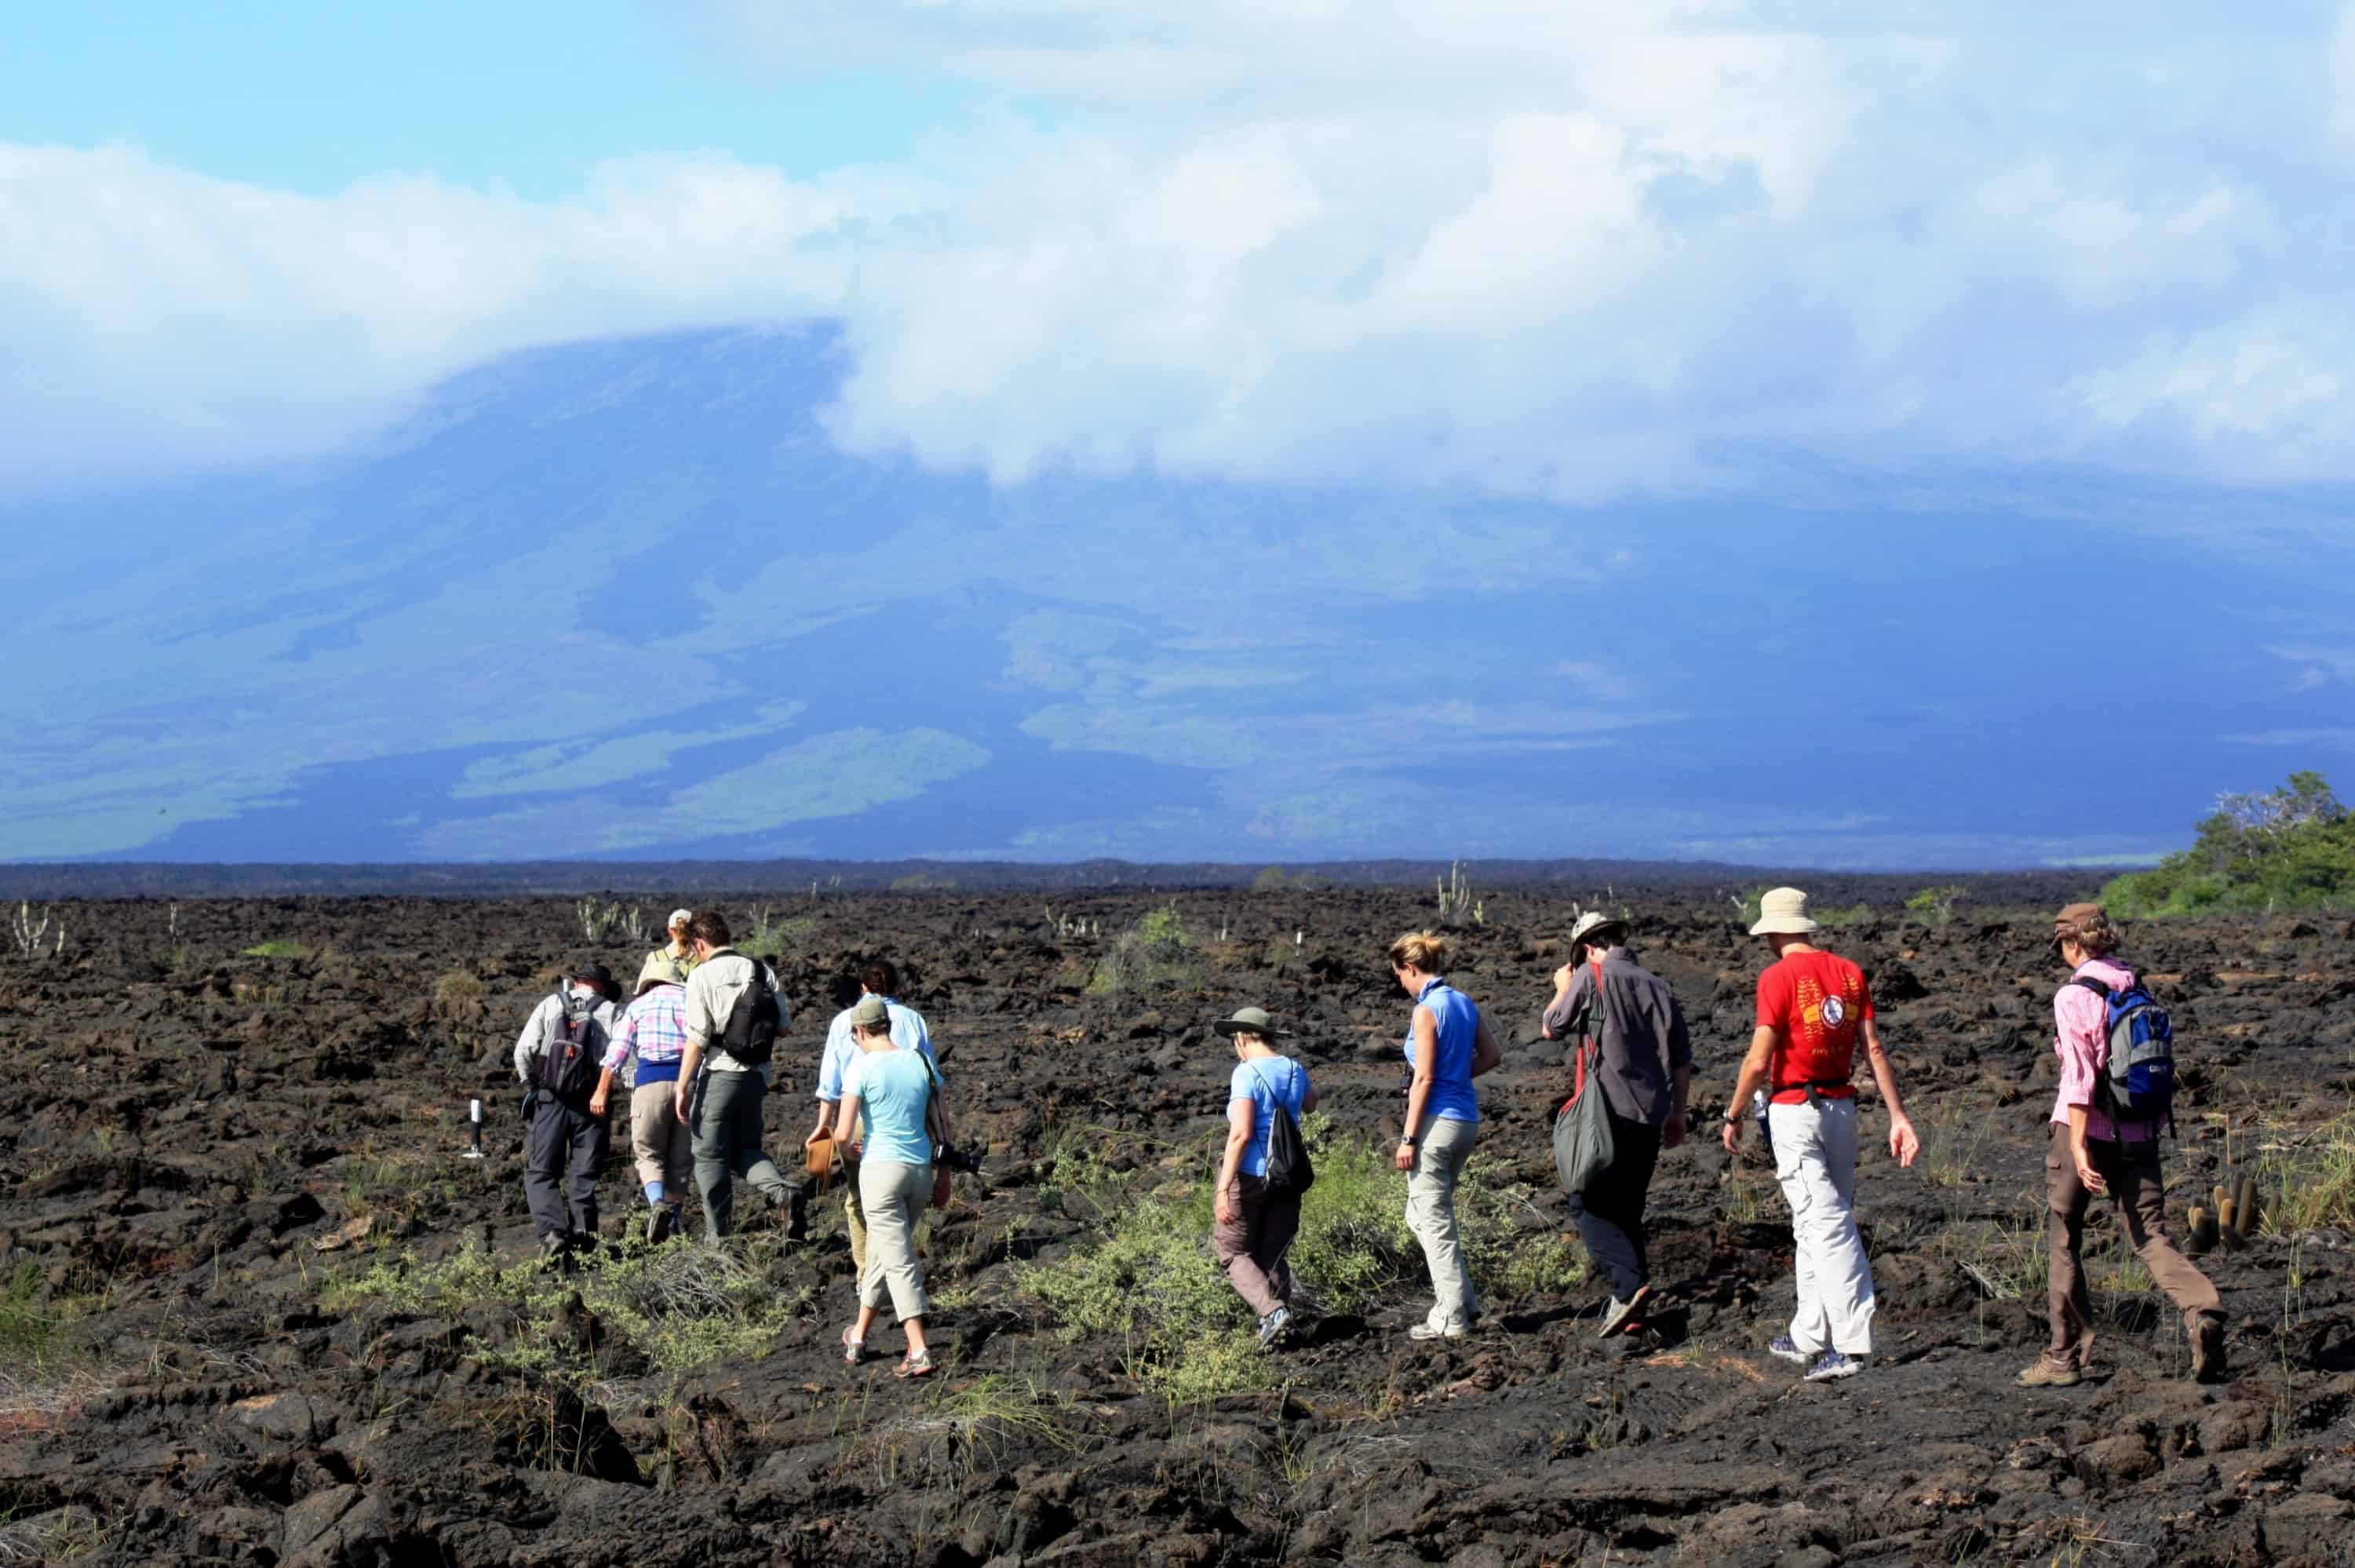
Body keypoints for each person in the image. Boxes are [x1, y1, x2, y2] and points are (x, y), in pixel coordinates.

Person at [2021, 903, 2226, 1387]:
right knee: (2150, 1234)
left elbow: (2078, 1076)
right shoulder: (2137, 986)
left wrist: (2077, 1146)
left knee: (2066, 1239)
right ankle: (2203, 1308)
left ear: (2073, 945)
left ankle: (2063, 1357)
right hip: (2141, 1132)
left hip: (2086, 1132)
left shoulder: (2074, 995)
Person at [1721, 887, 1920, 1381]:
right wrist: (1898, 1115)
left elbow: (1758, 1059)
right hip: (1842, 1110)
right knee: (1812, 1222)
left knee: (1825, 1221)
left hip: (1796, 1111)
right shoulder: (1850, 973)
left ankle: (1851, 1345)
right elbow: (1873, 1050)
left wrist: (1733, 1113)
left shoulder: (1776, 977)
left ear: (1774, 932)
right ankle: (1808, 1334)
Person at [1541, 910, 1691, 1343]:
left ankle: (1628, 1290)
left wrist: (1562, 988)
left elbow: (1552, 1027)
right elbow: (1681, 1060)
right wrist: (1678, 1114)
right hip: (1651, 1115)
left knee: (1585, 1205)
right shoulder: (1659, 986)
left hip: (1605, 1114)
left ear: (1587, 948)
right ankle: (1634, 1311)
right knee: (1626, 1210)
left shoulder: (1591, 976)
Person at [1389, 930, 1504, 1340]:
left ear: (1411, 968)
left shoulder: (1427, 1010)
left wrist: (1408, 1138)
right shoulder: (1462, 1002)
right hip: (1466, 1123)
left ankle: (1451, 1317)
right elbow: (1492, 1056)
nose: (1401, 983)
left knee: (1433, 1224)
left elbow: (1423, 1077)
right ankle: (1467, 1305)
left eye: (1399, 975)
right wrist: (1457, 1079)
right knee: (1422, 1216)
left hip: (1436, 1126)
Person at [833, 995, 947, 1377]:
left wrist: (847, 1149)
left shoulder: (861, 1068)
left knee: (899, 1261)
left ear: (860, 1031)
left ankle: (918, 1349)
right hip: (919, 1172)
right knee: (885, 1254)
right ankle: (859, 1336)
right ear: (888, 1025)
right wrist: (943, 1174)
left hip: (881, 1172)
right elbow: (942, 1124)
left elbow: (843, 1132)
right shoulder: (921, 1061)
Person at [673, 911, 800, 1241]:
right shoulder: (761, 970)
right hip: (757, 1076)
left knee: (709, 1154)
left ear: (700, 943)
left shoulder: (701, 976)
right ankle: (782, 1191)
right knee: (746, 1148)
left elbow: (698, 1038)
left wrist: (682, 1087)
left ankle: (719, 1238)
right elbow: (784, 1027)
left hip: (720, 1074)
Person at [804, 959, 936, 1269]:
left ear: (863, 987)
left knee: (860, 1200)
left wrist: (823, 1126)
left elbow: (831, 1083)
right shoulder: (914, 1020)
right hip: (909, 1117)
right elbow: (929, 1078)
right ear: (897, 987)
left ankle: (868, 1274)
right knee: (902, 1200)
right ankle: (892, 1267)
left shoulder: (843, 1022)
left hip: (859, 1121)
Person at [1210, 1006, 1318, 1347]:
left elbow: (1240, 1134)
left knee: (1231, 1251)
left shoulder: (1246, 1074)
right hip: (1287, 1175)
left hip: (1251, 1175)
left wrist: (1223, 1188)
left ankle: (1273, 1314)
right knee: (1272, 1253)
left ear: (1243, 1037)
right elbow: (1311, 1104)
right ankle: (1280, 1330)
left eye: (1234, 1039)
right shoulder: (1294, 1069)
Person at [513, 960, 622, 1260]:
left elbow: (523, 1052)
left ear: (578, 983)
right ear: (603, 987)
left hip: (550, 1101)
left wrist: (531, 1086)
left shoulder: (551, 1004)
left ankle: (552, 1234)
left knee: (541, 1171)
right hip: (593, 1105)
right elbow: (625, 1060)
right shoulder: (613, 1011)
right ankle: (585, 1242)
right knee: (583, 1175)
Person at [593, 953, 695, 1244]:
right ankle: (674, 1221)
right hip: (689, 1086)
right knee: (681, 1158)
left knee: (648, 1152)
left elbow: (617, 1053)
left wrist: (602, 1090)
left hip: (650, 1083)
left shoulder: (639, 1006)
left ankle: (657, 1205)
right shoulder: (692, 1001)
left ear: (649, 982)